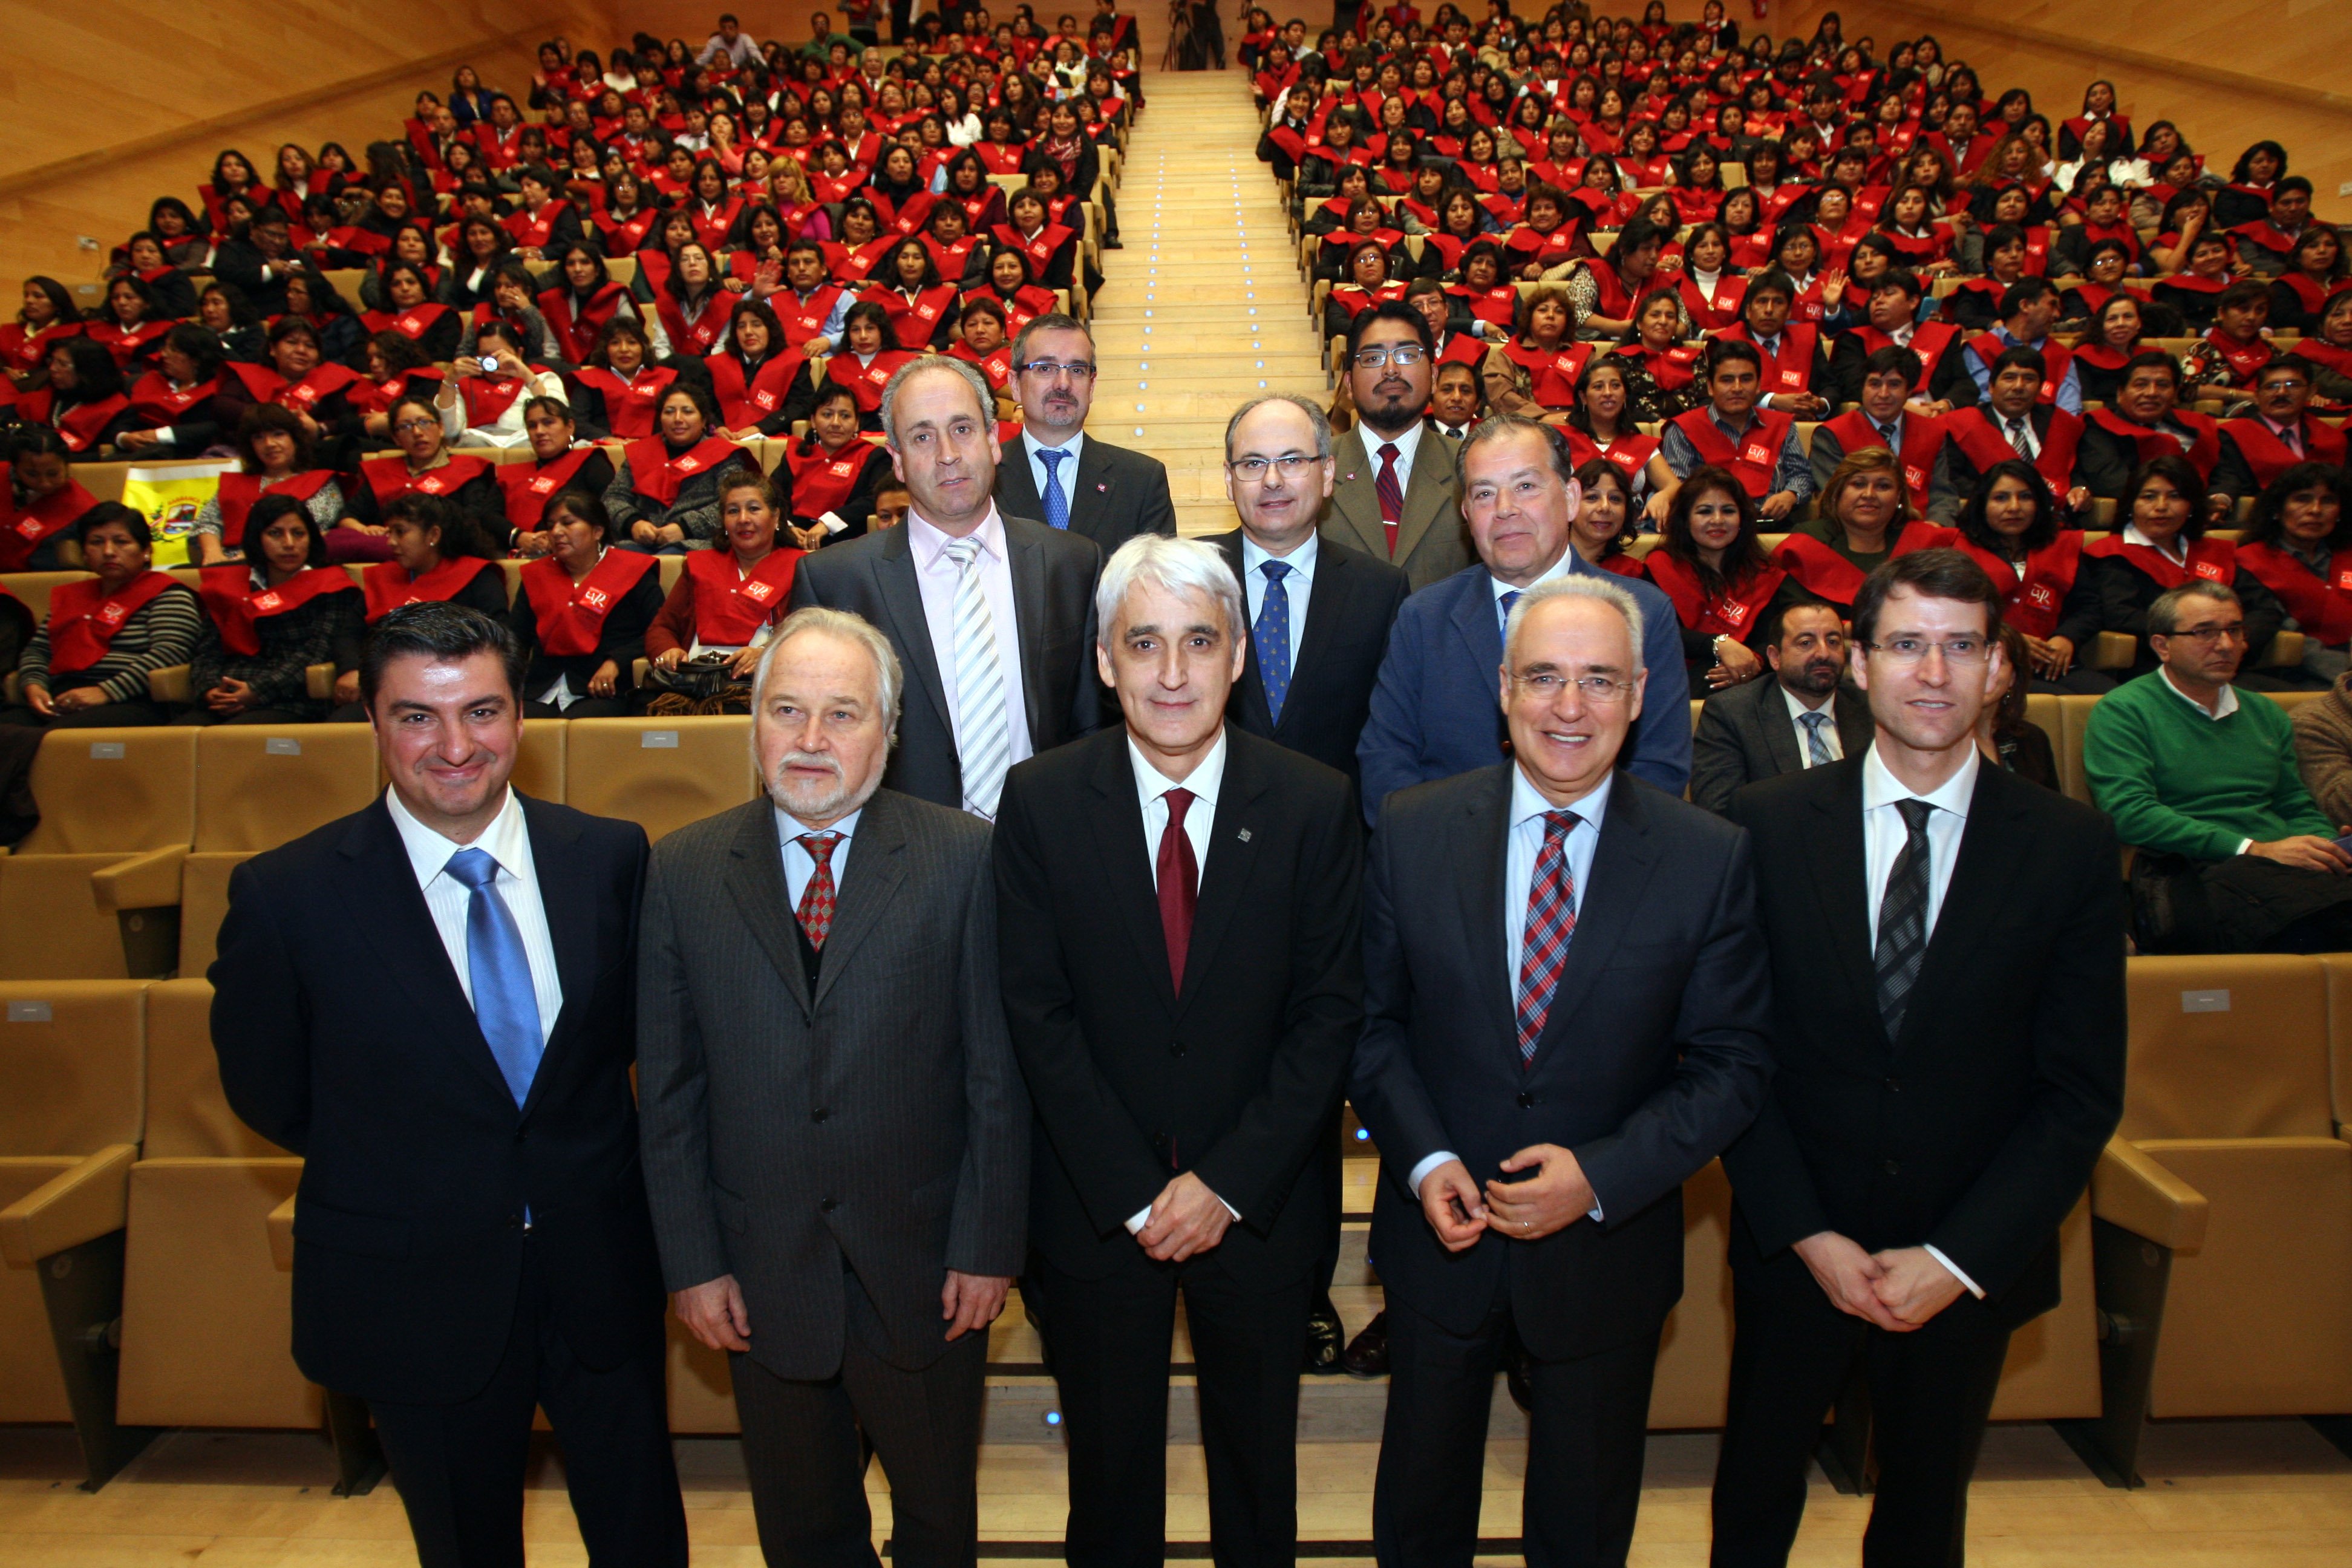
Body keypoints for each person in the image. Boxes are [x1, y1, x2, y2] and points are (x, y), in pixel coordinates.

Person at [209, 603, 690, 1567]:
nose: (456, 746)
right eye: (418, 717)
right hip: (416, 1288)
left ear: (520, 716)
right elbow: (272, 1093)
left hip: (599, 1273)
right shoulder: (287, 895)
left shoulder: (608, 858)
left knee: (644, 1540)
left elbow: (638, 1049)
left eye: (481, 711)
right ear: (375, 723)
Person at [1713, 550, 2125, 1568]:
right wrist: (1807, 1233)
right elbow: (1728, 1053)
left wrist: (1953, 1260)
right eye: (1904, 644)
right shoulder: (1763, 826)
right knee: (1752, 1503)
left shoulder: (2068, 846)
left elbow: (2076, 1093)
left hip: (1965, 1252)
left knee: (1921, 1518)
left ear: (1999, 670)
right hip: (1795, 1244)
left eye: (1960, 646)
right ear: (1856, 663)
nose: (1931, 672)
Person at [1352, 567, 1771, 1568]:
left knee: (1582, 1530)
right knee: (1418, 1515)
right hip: (1438, 1237)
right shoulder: (1412, 828)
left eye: (1597, 680)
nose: (1568, 707)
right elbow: (1370, 1028)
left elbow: (1731, 1063)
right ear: (1502, 690)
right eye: (1542, 677)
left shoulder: (1706, 855)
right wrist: (1421, 1159)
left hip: (1605, 1249)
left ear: (1638, 695)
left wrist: (1600, 1176)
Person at [994, 533, 1364, 1568]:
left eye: (1197, 641)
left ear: (1237, 654)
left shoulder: (1311, 801)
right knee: (1108, 1493)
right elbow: (1035, 1011)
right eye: (1141, 642)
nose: (1170, 673)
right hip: (1093, 1212)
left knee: (1258, 1484)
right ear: (1104, 660)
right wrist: (1135, 1188)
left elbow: (1329, 1014)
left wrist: (1223, 1182)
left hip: (1259, 1210)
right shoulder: (1041, 801)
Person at [636, 603, 1027, 1568]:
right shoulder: (682, 869)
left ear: (890, 736)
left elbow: (997, 1077)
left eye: (844, 714)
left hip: (928, 1271)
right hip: (760, 1276)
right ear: (752, 723)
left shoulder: (966, 859)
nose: (810, 741)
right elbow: (671, 1092)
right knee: (805, 1533)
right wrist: (692, 1262)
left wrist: (987, 1246)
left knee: (939, 1525)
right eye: (785, 710)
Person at [788, 358, 1102, 816]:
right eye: (921, 437)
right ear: (896, 461)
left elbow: (1090, 729)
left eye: (962, 429)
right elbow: (816, 745)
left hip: (1046, 846)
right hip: (901, 858)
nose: (947, 454)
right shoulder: (835, 581)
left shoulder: (1072, 563)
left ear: (994, 440)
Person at [1361, 414, 1694, 819]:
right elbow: (1386, 760)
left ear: (1571, 497)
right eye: (1484, 494)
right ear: (1465, 512)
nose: (1505, 509)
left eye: (1525, 487)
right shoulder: (1423, 617)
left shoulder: (1641, 613)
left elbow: (1659, 768)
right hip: (1446, 859)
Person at [2085, 581, 2352, 952]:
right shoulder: (2124, 711)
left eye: (2234, 630)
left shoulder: (2264, 712)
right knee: (2314, 927)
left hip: (2278, 862)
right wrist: (2251, 847)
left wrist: (2326, 846)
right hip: (2193, 866)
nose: (2226, 645)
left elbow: (2294, 804)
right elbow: (2130, 812)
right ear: (2162, 646)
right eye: (2205, 632)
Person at [1210, 394, 1410, 787]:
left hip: (1334, 831)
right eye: (1253, 463)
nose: (1272, 480)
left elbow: (1393, 737)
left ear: (1328, 473)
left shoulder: (1380, 591)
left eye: (1292, 460)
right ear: (1229, 480)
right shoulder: (1188, 576)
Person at [990, 313, 1177, 558]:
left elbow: (1159, 586)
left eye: (1077, 370)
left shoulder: (1141, 480)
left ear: (1092, 385)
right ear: (1015, 384)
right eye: (1046, 368)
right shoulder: (985, 477)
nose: (1063, 384)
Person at [2087, 455, 2285, 681]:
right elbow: (2122, 617)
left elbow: (2265, 610)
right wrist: (2194, 639)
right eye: (2149, 497)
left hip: (2230, 664)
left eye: (2175, 497)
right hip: (2154, 668)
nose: (2161, 507)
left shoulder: (2215, 553)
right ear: (2131, 505)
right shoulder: (2111, 554)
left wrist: (2238, 641)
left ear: (2192, 506)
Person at [0, 505, 200, 729]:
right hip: (62, 695)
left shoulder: (168, 594)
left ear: (146, 551)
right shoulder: (72, 595)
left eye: (121, 542)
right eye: (96, 542)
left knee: (56, 737)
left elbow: (171, 654)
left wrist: (106, 691)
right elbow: (38, 650)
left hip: (132, 700)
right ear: (84, 554)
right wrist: (34, 686)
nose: (108, 551)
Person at [1320, 304, 1474, 592]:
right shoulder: (1315, 469)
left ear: (1433, 376)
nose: (1391, 370)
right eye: (1373, 357)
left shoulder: (1469, 466)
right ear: (1349, 384)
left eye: (1407, 355)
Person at [186, 494, 365, 726]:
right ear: (257, 539)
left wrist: (256, 691)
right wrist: (211, 689)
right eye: (276, 534)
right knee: (173, 741)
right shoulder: (231, 585)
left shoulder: (331, 587)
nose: (289, 543)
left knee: (230, 741)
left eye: (298, 534)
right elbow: (207, 650)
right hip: (226, 695)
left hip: (290, 700)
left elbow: (316, 653)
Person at [1691, 599, 1873, 814]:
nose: (1823, 653)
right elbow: (1718, 811)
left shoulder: (1870, 708)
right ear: (1775, 658)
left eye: (1833, 641)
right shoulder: (1732, 713)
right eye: (1806, 643)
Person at [1952, 460, 2108, 694]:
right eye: (2001, 498)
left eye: (2025, 497)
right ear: (1982, 504)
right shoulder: (1959, 550)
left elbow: (2089, 608)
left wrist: (2067, 638)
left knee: (2111, 699)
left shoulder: (2061, 546)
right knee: (2056, 700)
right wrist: (2007, 638)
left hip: (2050, 663)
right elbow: (1950, 614)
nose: (2014, 507)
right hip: (1986, 663)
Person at [508, 489, 661, 719]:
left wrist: (617, 662)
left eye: (568, 523)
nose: (557, 532)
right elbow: (515, 639)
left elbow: (659, 629)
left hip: (606, 690)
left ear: (597, 531)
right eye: (551, 526)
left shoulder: (632, 571)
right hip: (541, 688)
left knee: (583, 725)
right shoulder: (537, 576)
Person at [1774, 449, 1958, 618]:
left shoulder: (1923, 545)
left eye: (1883, 486)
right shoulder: (1808, 542)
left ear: (1899, 497)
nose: (1869, 494)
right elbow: (1794, 616)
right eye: (1858, 484)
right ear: (1838, 492)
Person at [1651, 342, 1815, 524]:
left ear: (1759, 385)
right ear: (1711, 387)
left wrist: (1790, 495)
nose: (1737, 388)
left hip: (1772, 526)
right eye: (1727, 380)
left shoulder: (1782, 425)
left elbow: (1801, 475)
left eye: (1746, 379)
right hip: (1707, 531)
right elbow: (1680, 490)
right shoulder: (1684, 429)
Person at [1929, 347, 2089, 524]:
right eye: (2009, 378)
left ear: (2040, 388)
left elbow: (2075, 471)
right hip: (1984, 523)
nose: (2018, 387)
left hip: (2051, 524)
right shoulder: (1962, 424)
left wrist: (2078, 488)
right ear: (1991, 387)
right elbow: (1952, 479)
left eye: (2029, 379)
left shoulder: (2061, 424)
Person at [603, 381, 760, 555]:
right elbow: (613, 498)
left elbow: (734, 504)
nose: (678, 419)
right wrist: (633, 523)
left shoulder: (724, 454)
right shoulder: (641, 452)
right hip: (641, 541)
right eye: (669, 412)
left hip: (697, 542)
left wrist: (685, 528)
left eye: (688, 411)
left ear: (704, 420)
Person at [2235, 463, 2352, 685]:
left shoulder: (2347, 555)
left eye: (2328, 501)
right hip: (2303, 672)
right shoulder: (2250, 561)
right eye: (2302, 499)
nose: (2315, 510)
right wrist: (2346, 674)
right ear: (2277, 510)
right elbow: (2287, 635)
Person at [1805, 344, 1949, 513]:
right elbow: (1835, 498)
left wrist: (1936, 525)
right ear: (1863, 387)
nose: (1883, 394)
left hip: (1922, 530)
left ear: (1909, 391)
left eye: (1894, 385)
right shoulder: (1832, 434)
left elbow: (1942, 494)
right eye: (1875, 384)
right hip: (1859, 531)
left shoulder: (1932, 432)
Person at [2074, 352, 2226, 506]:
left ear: (2175, 394)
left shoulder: (2196, 426)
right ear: (2120, 393)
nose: (2152, 393)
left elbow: (2223, 472)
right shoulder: (2099, 426)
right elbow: (2112, 482)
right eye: (2141, 384)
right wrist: (2189, 502)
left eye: (2162, 385)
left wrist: (2221, 499)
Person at [2214, 356, 2350, 503]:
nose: (2282, 393)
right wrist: (2222, 500)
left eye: (2293, 385)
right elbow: (2227, 480)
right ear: (2257, 395)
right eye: (2271, 386)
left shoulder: (2332, 438)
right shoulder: (2231, 435)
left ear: (2311, 392)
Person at [496, 396, 615, 555]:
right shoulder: (510, 474)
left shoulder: (592, 463)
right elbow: (489, 517)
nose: (539, 431)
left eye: (548, 422)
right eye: (532, 426)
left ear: (570, 427)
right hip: (513, 551)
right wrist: (519, 536)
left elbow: (608, 514)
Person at [1954, 279, 2082, 414]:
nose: (2057, 315)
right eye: (2052, 305)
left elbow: (2070, 410)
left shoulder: (2061, 355)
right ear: (2025, 305)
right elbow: (1980, 401)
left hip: (2048, 430)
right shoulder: (1979, 348)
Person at [0, 426, 104, 572]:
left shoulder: (83, 510)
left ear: (67, 466)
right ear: (15, 468)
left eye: (53, 474)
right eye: (32, 474)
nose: (44, 483)